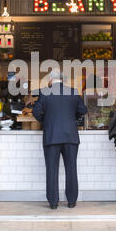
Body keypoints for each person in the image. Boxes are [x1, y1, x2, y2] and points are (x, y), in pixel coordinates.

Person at [32, 69, 88, 209]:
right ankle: (71, 201)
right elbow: (83, 110)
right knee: (71, 169)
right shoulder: (73, 92)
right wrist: (72, 118)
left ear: (51, 80)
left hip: (51, 136)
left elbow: (36, 112)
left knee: (51, 169)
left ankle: (53, 202)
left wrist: (47, 121)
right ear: (63, 79)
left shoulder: (45, 92)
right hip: (70, 136)